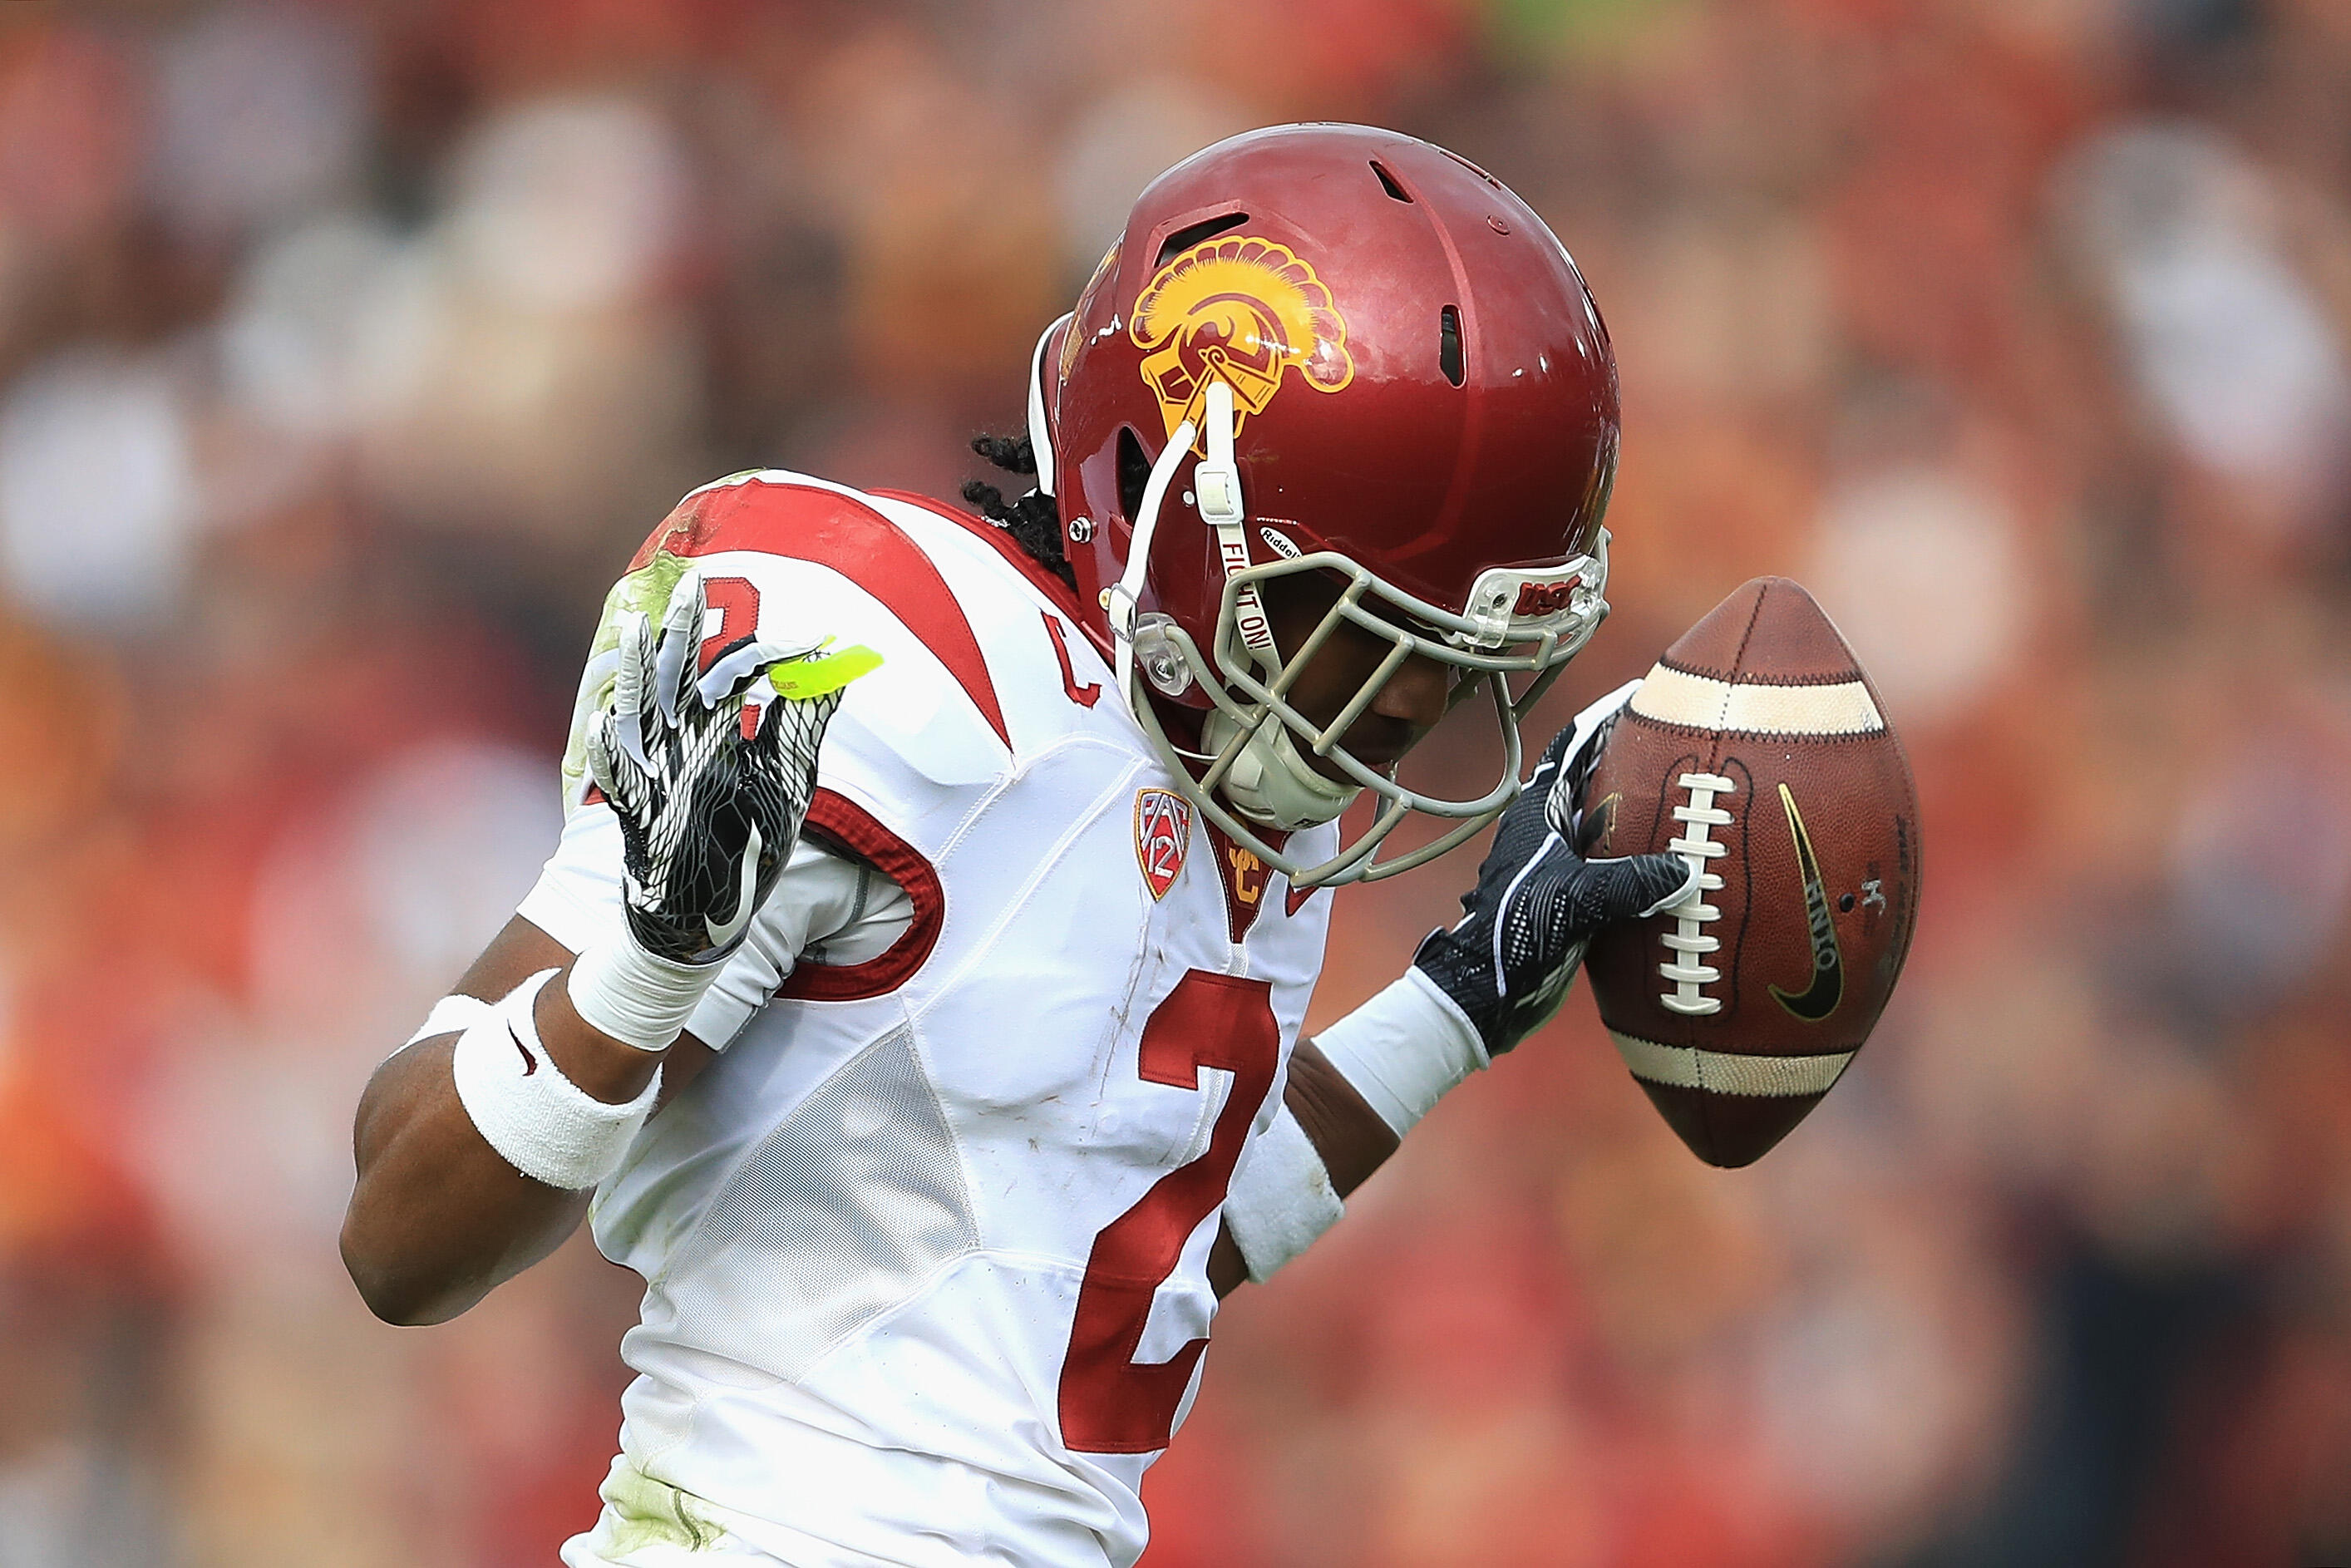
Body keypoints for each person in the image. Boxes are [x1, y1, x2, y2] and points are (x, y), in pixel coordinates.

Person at [339, 123, 1694, 1568]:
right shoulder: (885, 672)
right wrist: (647, 962)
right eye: (1362, 625)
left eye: (1445, 650)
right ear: (1168, 492)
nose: (1410, 702)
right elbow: (398, 1236)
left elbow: (1116, 1260)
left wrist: (1457, 1002)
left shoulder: (1227, 744)